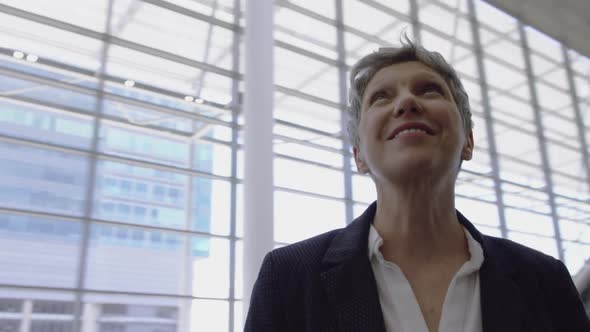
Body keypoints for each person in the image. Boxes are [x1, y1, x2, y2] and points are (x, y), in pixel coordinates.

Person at [244, 37, 590, 332]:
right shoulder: (289, 279)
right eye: (381, 97)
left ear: (468, 141)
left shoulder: (544, 282)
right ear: (359, 156)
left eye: (429, 90)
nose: (407, 102)